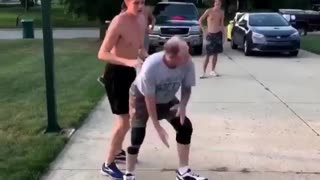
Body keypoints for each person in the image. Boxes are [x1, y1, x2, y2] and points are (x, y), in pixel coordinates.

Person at [123, 36, 208, 180]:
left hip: (166, 97)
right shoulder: (151, 67)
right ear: (172, 56)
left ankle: (183, 172)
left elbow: (187, 88)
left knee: (185, 126)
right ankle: (129, 173)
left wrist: (182, 105)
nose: (189, 55)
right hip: (141, 97)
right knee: (137, 135)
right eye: (185, 52)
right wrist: (157, 127)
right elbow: (149, 100)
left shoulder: (187, 62)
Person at [97, 0, 148, 179]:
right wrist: (129, 62)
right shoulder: (118, 21)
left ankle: (117, 151)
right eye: (136, 2)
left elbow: (139, 48)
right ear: (126, 2)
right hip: (115, 74)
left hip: (130, 73)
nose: (140, 6)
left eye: (143, 2)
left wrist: (148, 59)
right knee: (124, 121)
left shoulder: (142, 18)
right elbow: (102, 53)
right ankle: (107, 165)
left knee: (130, 117)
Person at [199, 0, 225, 78]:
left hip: (218, 34)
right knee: (208, 54)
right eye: (216, 4)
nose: (217, 5)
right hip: (210, 34)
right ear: (214, 4)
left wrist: (224, 36)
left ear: (220, 5)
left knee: (215, 54)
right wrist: (204, 31)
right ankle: (203, 72)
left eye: (219, 4)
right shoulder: (209, 11)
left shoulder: (221, 12)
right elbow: (200, 20)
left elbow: (222, 24)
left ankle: (212, 70)